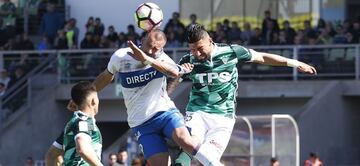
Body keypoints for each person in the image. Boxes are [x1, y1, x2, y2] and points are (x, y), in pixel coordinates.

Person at [167, 24, 317, 165]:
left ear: (210, 41)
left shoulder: (232, 52)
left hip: (223, 118)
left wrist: (295, 63)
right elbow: (174, 79)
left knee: (208, 158)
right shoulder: (188, 60)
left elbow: (262, 57)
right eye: (192, 49)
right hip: (197, 112)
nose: (197, 54)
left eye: (200, 48)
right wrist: (169, 91)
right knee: (187, 147)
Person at [92, 29, 222, 166]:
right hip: (141, 122)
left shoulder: (162, 59)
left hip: (165, 113)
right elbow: (107, 76)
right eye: (149, 45)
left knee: (186, 140)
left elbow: (173, 72)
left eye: (156, 48)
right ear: (142, 41)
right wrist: (89, 93)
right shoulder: (121, 56)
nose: (151, 50)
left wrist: (147, 60)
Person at [63, 81, 103, 166]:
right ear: (93, 101)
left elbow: (51, 154)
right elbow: (82, 149)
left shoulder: (74, 122)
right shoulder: (83, 121)